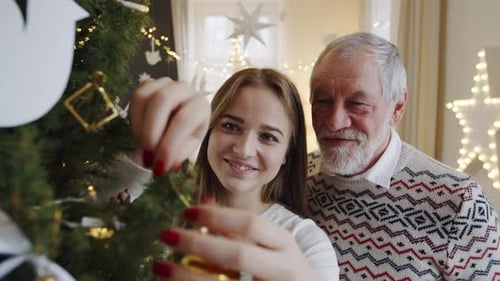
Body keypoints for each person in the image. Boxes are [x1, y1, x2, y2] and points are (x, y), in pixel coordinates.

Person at [130, 32, 500, 280]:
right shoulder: (296, 175)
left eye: (357, 103)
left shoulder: (458, 202)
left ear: (397, 107)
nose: (335, 121)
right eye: (322, 101)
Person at [129, 68, 339, 280]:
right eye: (230, 126)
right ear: (209, 130)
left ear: (287, 153)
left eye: (268, 137)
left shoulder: (307, 242)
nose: (244, 149)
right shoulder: (155, 209)